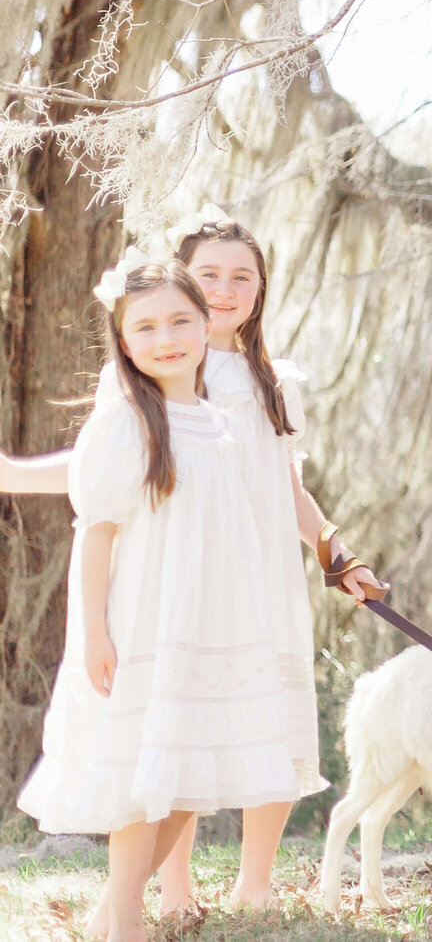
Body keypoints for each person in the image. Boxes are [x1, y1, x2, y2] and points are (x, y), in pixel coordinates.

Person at [2, 212, 386, 926]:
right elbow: (106, 473)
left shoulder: (273, 381)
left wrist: (337, 553)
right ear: (182, 283)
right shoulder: (168, 370)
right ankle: (162, 892)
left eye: (242, 275)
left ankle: (252, 883)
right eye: (209, 274)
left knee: (255, 721)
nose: (226, 288)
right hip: (178, 582)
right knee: (173, 733)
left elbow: (287, 487)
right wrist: (13, 475)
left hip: (256, 576)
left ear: (262, 287)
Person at [15, 256, 301, 941]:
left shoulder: (215, 420)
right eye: (145, 326)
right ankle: (128, 923)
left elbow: (223, 535)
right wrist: (93, 633)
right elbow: (96, 533)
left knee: (183, 780)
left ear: (207, 327)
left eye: (179, 319)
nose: (165, 336)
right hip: (143, 620)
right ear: (123, 341)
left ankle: (112, 911)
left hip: (207, 622)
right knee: (143, 782)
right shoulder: (126, 423)